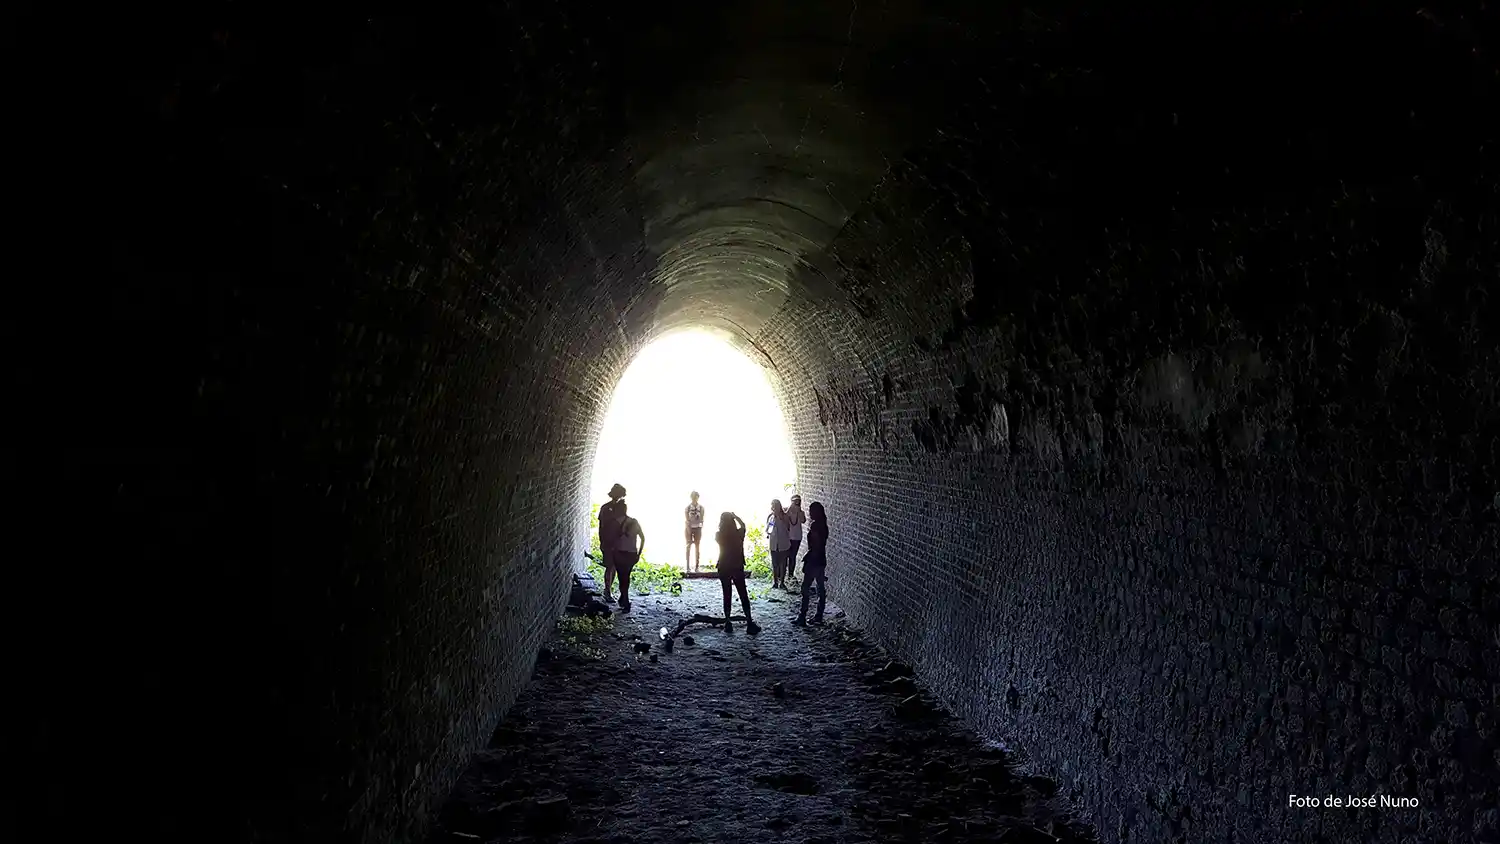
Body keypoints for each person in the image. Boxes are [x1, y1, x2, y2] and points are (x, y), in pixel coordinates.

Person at [714, 512, 758, 633]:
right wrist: (736, 517)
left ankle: (728, 622)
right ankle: (749, 622)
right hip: (736, 566)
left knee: (726, 595)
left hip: (723, 566)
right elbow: (743, 526)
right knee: (743, 594)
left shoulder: (719, 535)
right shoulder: (739, 534)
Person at [793, 501, 829, 625]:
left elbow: (815, 545)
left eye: (811, 511)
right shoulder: (824, 526)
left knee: (805, 588)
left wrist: (808, 561)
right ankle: (819, 616)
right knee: (820, 589)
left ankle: (802, 616)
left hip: (814, 561)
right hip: (821, 560)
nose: (809, 513)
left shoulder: (815, 526)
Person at [613, 501, 645, 612]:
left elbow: (611, 539)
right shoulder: (634, 522)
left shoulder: (615, 523)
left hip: (619, 553)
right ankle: (623, 598)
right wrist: (639, 553)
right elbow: (643, 538)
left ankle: (625, 601)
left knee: (622, 577)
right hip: (631, 554)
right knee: (626, 577)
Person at [597, 483, 627, 603]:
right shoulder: (606, 509)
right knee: (610, 566)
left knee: (614, 566)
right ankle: (607, 590)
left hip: (616, 541)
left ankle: (608, 589)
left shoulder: (618, 507)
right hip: (609, 541)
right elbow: (604, 525)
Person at [767, 499, 792, 589]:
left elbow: (788, 527)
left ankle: (782, 582)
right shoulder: (771, 517)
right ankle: (775, 582)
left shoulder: (785, 517)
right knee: (775, 564)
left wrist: (780, 519)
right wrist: (769, 531)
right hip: (774, 544)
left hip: (783, 543)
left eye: (774, 506)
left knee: (783, 563)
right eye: (772, 506)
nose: (773, 508)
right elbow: (768, 530)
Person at [783, 494, 806, 591]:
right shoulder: (787, 511)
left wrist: (799, 511)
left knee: (793, 556)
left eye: (798, 501)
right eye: (795, 501)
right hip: (788, 536)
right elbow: (785, 520)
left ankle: (791, 574)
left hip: (796, 537)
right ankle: (784, 574)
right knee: (786, 555)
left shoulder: (801, 512)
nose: (797, 503)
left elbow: (803, 520)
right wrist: (790, 509)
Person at [684, 491, 705, 572]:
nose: (694, 498)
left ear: (698, 497)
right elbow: (687, 520)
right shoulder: (688, 508)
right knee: (688, 546)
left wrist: (699, 528)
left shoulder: (701, 508)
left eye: (696, 497)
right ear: (691, 497)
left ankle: (697, 566)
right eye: (693, 497)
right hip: (689, 528)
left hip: (697, 528)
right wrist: (689, 530)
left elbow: (702, 520)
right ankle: (688, 567)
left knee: (697, 547)